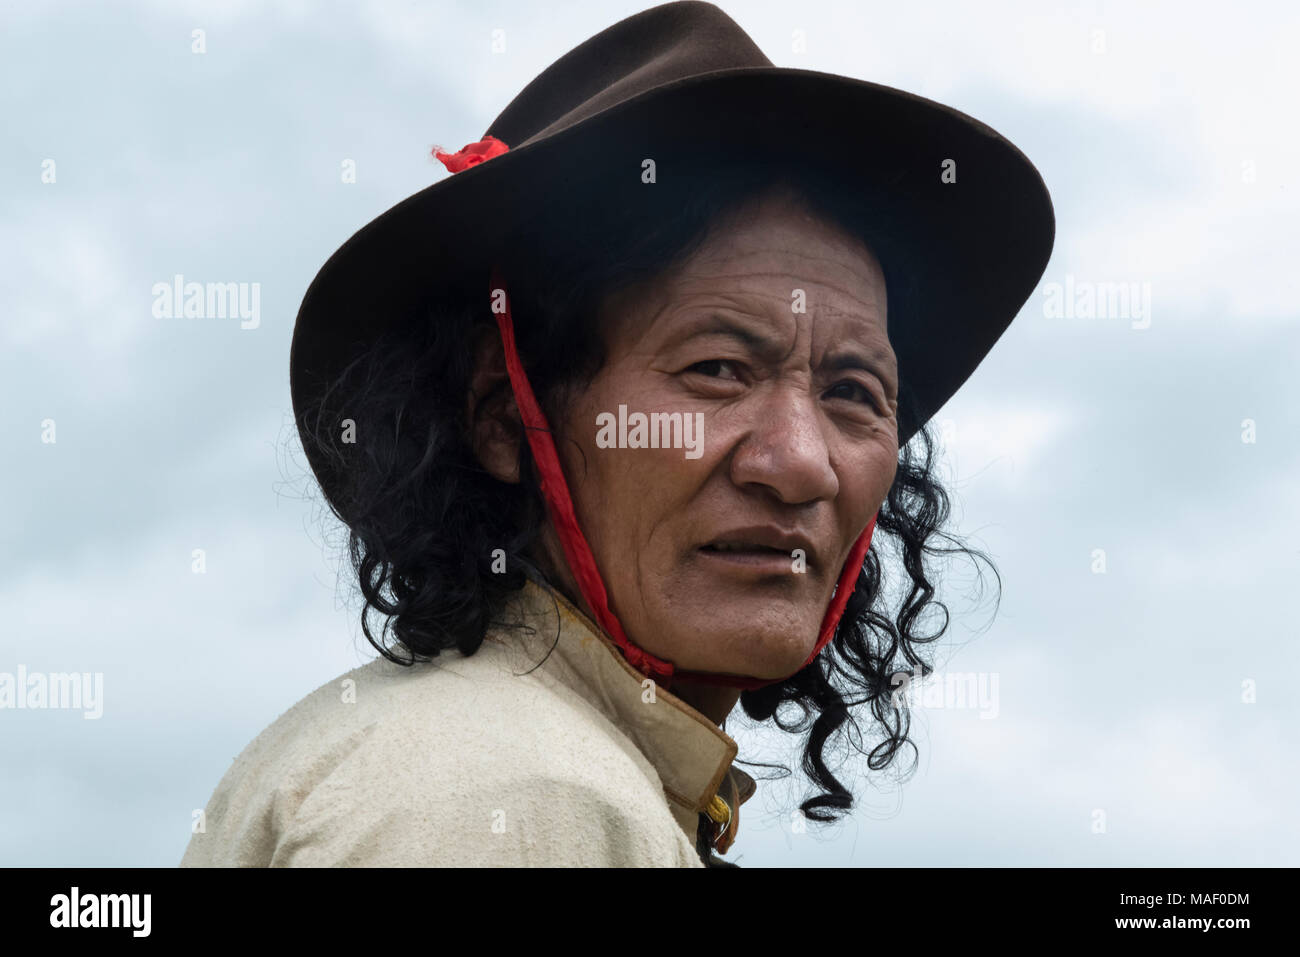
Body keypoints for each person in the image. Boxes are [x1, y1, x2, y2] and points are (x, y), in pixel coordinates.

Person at [181, 0, 1053, 868]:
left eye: (855, 392)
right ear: (500, 413)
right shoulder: (522, 800)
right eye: (716, 369)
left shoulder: (489, 765)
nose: (799, 462)